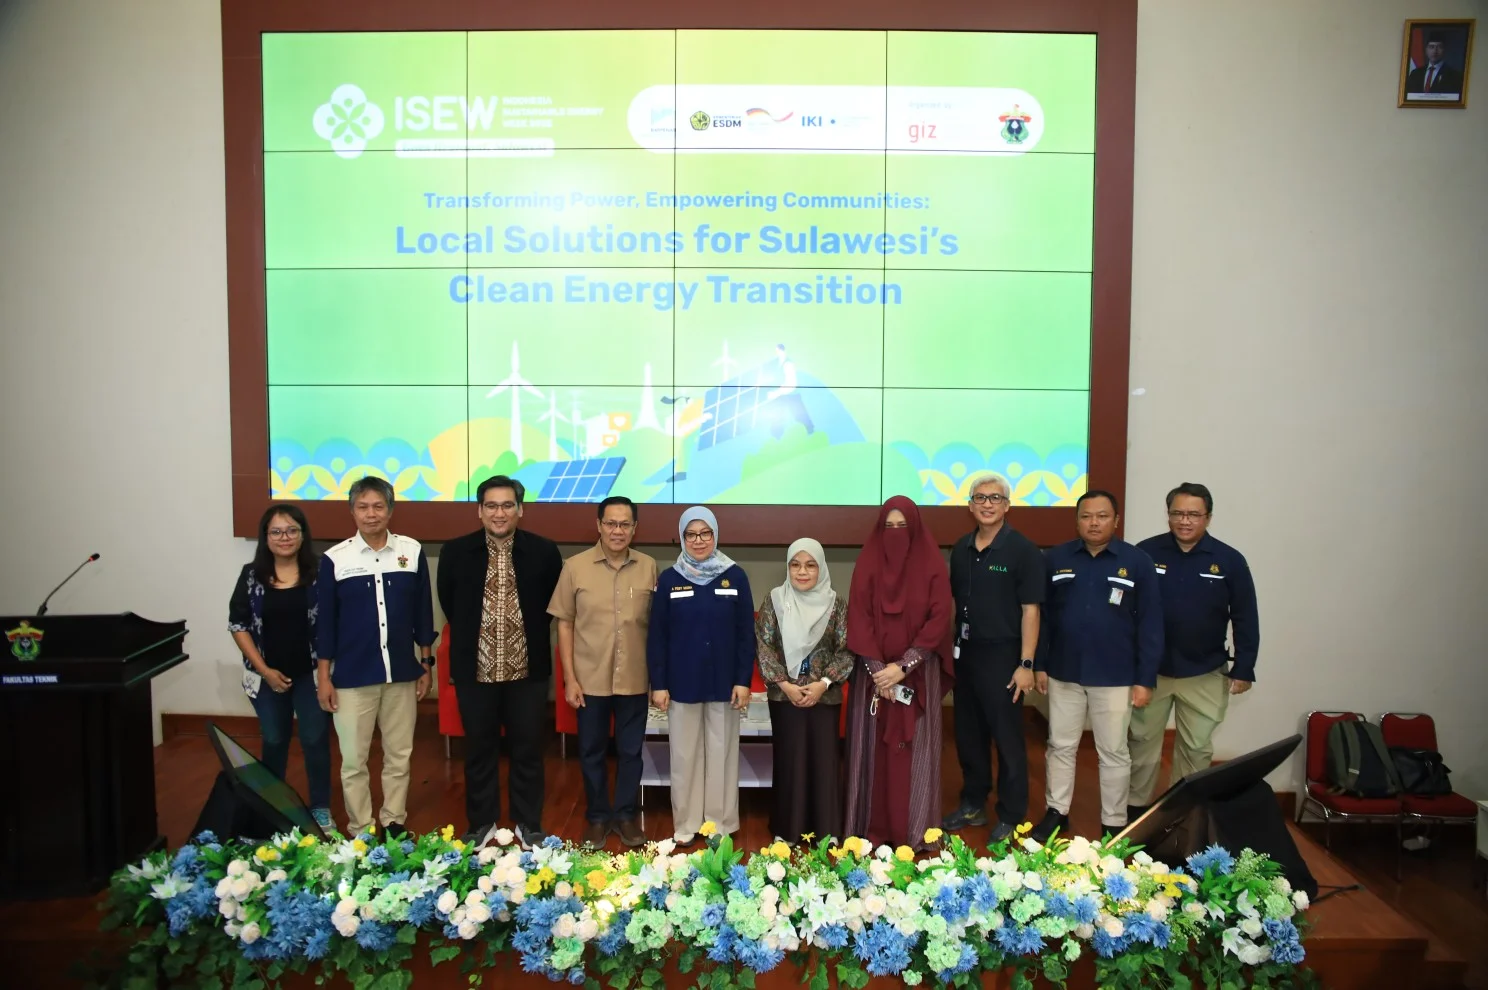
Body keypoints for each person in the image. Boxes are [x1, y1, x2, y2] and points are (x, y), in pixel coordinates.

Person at [437, 475, 563, 849]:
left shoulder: (544, 552)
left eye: (507, 505)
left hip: (527, 671)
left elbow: (550, 607)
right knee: (479, 750)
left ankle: (528, 823)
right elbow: (449, 603)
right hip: (476, 671)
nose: (499, 513)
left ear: (520, 510)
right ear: (479, 511)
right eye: (491, 505)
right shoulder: (455, 552)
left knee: (528, 750)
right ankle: (481, 822)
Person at [1031, 490, 1163, 843]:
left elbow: (1151, 623)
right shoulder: (1056, 558)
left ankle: (1114, 821)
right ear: (1077, 521)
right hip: (1064, 671)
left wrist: (1145, 678)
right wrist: (1040, 665)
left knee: (1114, 751)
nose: (1094, 523)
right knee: (1060, 745)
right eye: (1086, 516)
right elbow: (1044, 618)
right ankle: (1056, 812)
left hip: (1116, 675)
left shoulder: (1137, 562)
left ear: (1115, 521)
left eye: (1102, 516)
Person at [1128, 483, 1259, 820]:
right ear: (1168, 515)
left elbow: (1245, 616)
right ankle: (1134, 815)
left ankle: (1182, 817)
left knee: (1197, 748)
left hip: (1205, 670)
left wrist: (1244, 667)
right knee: (1140, 745)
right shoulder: (1145, 553)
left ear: (1208, 517)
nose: (1184, 521)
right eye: (1178, 513)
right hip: (1151, 672)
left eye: (1193, 514)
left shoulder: (1229, 560)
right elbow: (1127, 612)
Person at [316, 477, 435, 839]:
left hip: (401, 673)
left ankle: (393, 821)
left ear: (390, 510)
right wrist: (324, 677)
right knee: (354, 759)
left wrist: (425, 663)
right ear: (352, 511)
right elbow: (325, 625)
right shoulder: (335, 559)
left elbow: (423, 613)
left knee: (399, 754)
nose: (371, 514)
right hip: (352, 677)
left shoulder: (411, 551)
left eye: (378, 506)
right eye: (363, 507)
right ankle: (361, 829)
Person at [843, 496, 953, 852]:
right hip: (873, 678)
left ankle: (915, 829)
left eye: (902, 527)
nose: (895, 533)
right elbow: (859, 617)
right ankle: (868, 828)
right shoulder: (867, 564)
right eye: (888, 527)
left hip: (918, 673)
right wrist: (880, 671)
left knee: (915, 755)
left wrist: (903, 667)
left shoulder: (932, 566)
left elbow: (939, 617)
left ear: (915, 528)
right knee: (872, 753)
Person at [548, 496, 658, 849]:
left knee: (630, 752)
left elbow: (657, 627)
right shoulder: (575, 567)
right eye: (611, 523)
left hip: (635, 678)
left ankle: (625, 816)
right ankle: (597, 817)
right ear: (598, 525)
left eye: (625, 524)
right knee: (591, 752)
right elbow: (565, 624)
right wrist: (570, 678)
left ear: (634, 528)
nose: (617, 531)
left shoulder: (648, 567)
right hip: (589, 680)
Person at [941, 474, 1046, 842]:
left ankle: (1012, 813)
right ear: (970, 505)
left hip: (1004, 656)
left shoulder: (1023, 550)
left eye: (995, 498)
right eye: (980, 498)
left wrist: (1026, 663)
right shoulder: (961, 548)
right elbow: (954, 603)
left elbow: (1031, 610)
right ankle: (973, 803)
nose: (987, 504)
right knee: (968, 734)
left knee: (1007, 738)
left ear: (1007, 505)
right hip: (966, 653)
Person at [647, 507, 755, 846]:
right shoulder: (669, 579)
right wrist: (659, 684)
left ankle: (719, 824)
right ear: (681, 538)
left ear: (715, 535)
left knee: (722, 754)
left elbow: (745, 634)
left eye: (705, 533)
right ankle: (686, 823)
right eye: (691, 534)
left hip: (725, 684)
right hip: (682, 684)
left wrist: (743, 680)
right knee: (684, 755)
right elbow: (657, 636)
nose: (698, 540)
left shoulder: (735, 576)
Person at [228, 504, 334, 831]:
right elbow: (238, 624)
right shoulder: (251, 574)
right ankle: (272, 806)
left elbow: (332, 622)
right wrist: (265, 671)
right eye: (276, 531)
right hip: (266, 675)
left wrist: (326, 673)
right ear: (266, 537)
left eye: (291, 530)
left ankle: (320, 808)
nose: (284, 537)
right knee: (274, 739)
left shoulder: (320, 571)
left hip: (311, 674)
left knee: (315, 739)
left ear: (303, 535)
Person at [755, 538, 854, 844]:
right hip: (785, 697)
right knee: (790, 761)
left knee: (824, 763)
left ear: (821, 568)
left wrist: (823, 683)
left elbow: (846, 649)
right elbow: (763, 647)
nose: (802, 572)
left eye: (810, 565)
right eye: (795, 565)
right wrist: (785, 685)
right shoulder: (774, 601)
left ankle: (826, 829)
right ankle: (788, 828)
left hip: (824, 696)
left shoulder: (836, 604)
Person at [1405, 31, 1464, 95]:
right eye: (1431, 47)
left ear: (1444, 50)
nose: (1435, 51)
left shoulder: (1454, 76)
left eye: (1439, 47)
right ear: (1426, 50)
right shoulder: (1415, 74)